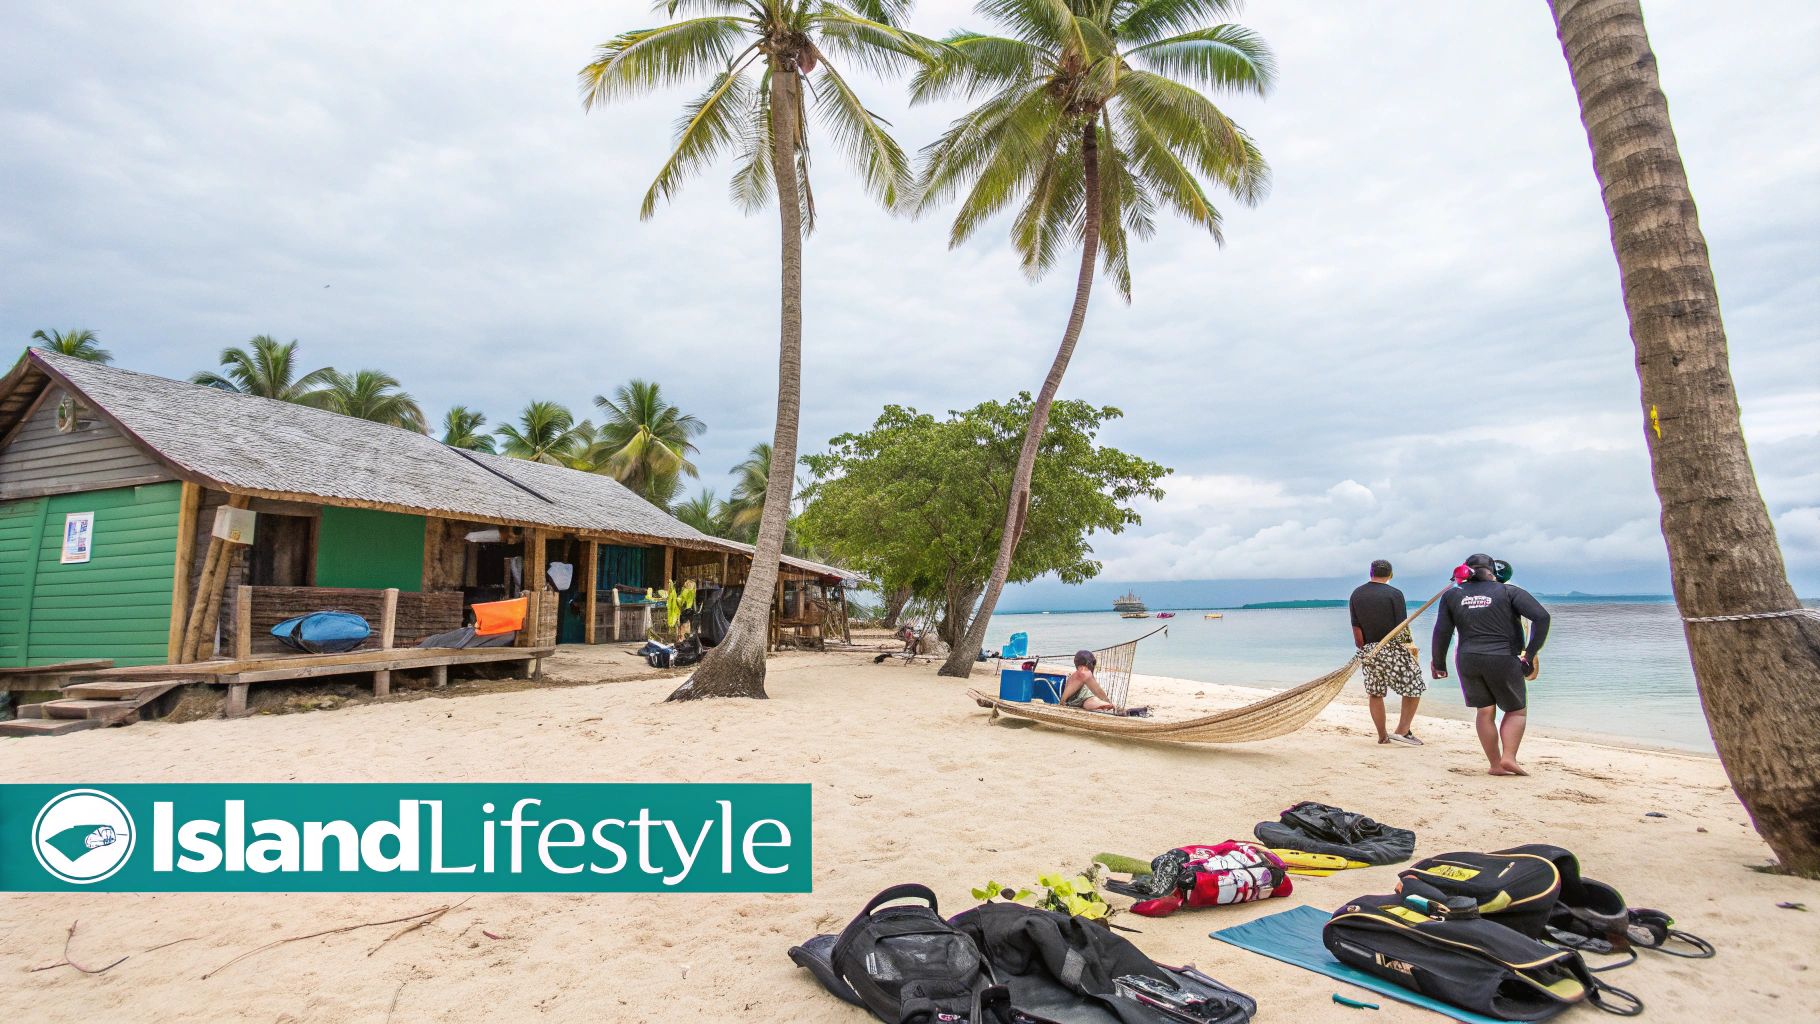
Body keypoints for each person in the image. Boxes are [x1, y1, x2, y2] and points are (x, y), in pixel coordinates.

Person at [1431, 553, 1551, 776]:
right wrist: (1529, 654)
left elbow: (1442, 630)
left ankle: (1495, 764)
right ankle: (1509, 757)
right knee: (1516, 711)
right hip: (1503, 658)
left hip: (1467, 659)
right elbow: (1542, 618)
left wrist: (1438, 662)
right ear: (1493, 571)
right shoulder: (1509, 591)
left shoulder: (1452, 596)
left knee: (1484, 711)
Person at [1349, 559, 1425, 746]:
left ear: (1370, 573)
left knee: (1375, 693)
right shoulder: (1395, 594)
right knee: (1414, 687)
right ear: (1391, 575)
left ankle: (1382, 736)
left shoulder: (1357, 594)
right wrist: (1409, 647)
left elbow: (1356, 628)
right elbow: (1402, 628)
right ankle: (1402, 731)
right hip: (1392, 648)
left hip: (1369, 649)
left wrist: (1364, 649)